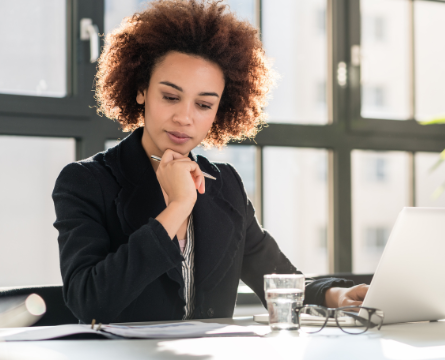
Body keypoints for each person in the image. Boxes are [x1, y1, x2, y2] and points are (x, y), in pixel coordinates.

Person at [52, 0, 368, 324]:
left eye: (204, 104)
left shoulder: (225, 185)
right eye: (171, 97)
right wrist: (178, 206)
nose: (184, 117)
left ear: (220, 110)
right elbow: (88, 300)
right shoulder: (86, 181)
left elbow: (277, 277)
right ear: (141, 90)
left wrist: (335, 296)